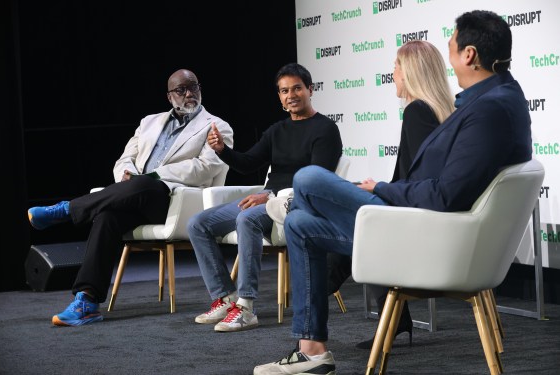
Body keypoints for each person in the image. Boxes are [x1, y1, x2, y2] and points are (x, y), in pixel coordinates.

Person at [254, 10, 532, 375]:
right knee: (301, 226)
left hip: (425, 237)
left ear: (469, 55)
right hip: (420, 224)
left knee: (307, 179)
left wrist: (383, 189)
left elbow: (446, 195)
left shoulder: (490, 109)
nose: (447, 55)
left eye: (450, 45)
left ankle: (290, 202)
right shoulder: (493, 100)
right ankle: (312, 350)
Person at [27, 69, 234, 326]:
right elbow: (125, 159)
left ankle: (68, 209)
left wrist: (153, 176)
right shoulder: (149, 122)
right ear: (169, 97)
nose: (189, 94)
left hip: (175, 201)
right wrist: (128, 175)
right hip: (136, 196)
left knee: (147, 184)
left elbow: (206, 167)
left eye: (194, 87)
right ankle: (87, 301)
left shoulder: (217, 126)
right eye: (181, 90)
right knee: (107, 216)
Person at [187, 62, 343, 333]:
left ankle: (246, 307)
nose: (291, 95)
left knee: (247, 218)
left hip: (297, 204)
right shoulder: (277, 130)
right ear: (279, 96)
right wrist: (223, 150)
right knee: (198, 224)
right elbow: (248, 163)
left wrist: (270, 197)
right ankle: (225, 298)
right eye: (284, 91)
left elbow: (316, 180)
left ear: (310, 89)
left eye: (297, 88)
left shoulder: (325, 130)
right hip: (269, 200)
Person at [327, 40, 456, 350]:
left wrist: (381, 190)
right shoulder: (437, 111)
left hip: (420, 225)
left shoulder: (417, 111)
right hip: (429, 220)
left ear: (410, 72)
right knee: (355, 213)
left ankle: (320, 290)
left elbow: (424, 182)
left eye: (396, 66)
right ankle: (389, 315)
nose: (393, 73)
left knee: (335, 206)